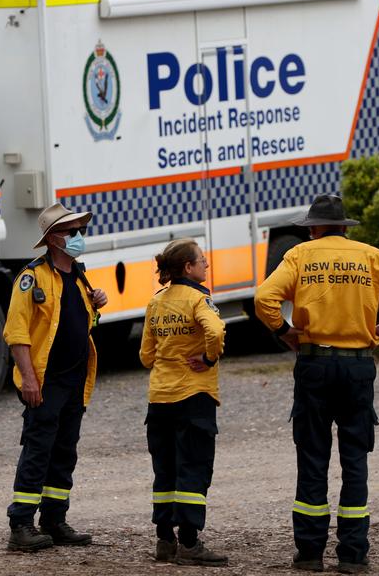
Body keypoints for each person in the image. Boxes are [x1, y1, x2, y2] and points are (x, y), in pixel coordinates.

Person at [253, 194, 379, 574]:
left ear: (313, 228)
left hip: (314, 364)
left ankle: (310, 552)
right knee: (355, 458)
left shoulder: (300, 256)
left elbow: (265, 297)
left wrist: (286, 333)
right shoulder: (371, 256)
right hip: (357, 367)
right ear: (344, 227)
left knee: (312, 456)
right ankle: (352, 552)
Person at [3, 202, 109, 552]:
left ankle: (54, 519)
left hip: (75, 379)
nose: (79, 236)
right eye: (71, 231)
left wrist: (97, 305)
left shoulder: (79, 275)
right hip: (46, 382)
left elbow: (84, 324)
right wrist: (28, 379)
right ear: (51, 239)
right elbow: (16, 333)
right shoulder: (31, 278)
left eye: (81, 230)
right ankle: (21, 524)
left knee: (64, 452)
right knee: (38, 451)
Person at [140, 239, 228, 567]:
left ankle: (165, 540)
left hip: (159, 397)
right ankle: (190, 543)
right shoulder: (198, 299)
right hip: (193, 396)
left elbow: (146, 355)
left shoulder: (157, 301)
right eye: (202, 261)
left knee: (165, 469)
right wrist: (207, 357)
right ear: (188, 268)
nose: (207, 265)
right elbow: (216, 332)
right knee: (194, 467)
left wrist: (167, 357)